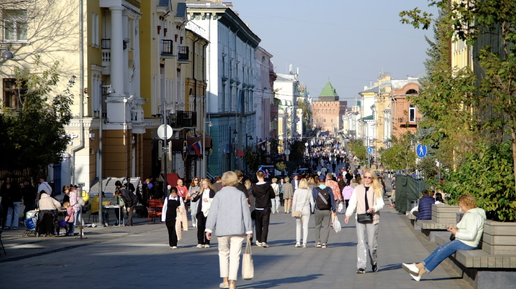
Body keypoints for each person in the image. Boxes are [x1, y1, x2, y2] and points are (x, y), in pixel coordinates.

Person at [402, 194, 486, 282]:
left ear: (467, 204)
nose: (460, 209)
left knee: (442, 252)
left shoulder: (473, 216)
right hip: (463, 241)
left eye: (461, 206)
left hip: (467, 243)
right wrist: (455, 230)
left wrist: (456, 233)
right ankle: (418, 271)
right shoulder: (472, 214)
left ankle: (418, 269)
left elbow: (471, 235)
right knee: (440, 249)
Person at [205, 171, 253, 289]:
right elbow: (246, 213)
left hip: (222, 229)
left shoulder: (219, 195)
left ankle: (225, 280)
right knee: (235, 256)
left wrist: (209, 228)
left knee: (223, 254)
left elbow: (213, 213)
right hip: (238, 229)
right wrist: (249, 230)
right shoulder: (240, 194)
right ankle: (232, 282)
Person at [345, 169, 385, 274]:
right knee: (361, 242)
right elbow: (353, 202)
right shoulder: (357, 188)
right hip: (360, 218)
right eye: (365, 177)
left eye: (369, 177)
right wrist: (348, 214)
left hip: (373, 219)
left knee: (372, 244)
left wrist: (373, 208)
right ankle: (361, 266)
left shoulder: (376, 188)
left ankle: (374, 262)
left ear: (372, 179)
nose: (367, 179)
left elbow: (381, 204)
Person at [252, 170, 275, 247]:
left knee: (258, 225)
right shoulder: (268, 186)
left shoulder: (254, 186)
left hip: (258, 207)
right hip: (266, 206)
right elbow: (273, 195)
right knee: (265, 225)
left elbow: (254, 194)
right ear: (264, 176)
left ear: (257, 176)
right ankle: (264, 241)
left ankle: (258, 240)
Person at [312, 174, 337, 248]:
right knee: (326, 226)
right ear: (325, 181)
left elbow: (313, 199)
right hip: (327, 210)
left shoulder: (315, 190)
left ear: (319, 181)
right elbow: (332, 200)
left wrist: (312, 210)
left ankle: (318, 242)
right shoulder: (329, 189)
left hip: (318, 209)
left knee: (317, 226)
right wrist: (334, 209)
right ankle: (324, 243)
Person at [291, 178, 315, 248]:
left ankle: (298, 242)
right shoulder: (309, 191)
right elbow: (312, 203)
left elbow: (294, 203)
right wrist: (312, 210)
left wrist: (293, 211)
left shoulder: (297, 191)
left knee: (298, 226)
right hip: (306, 209)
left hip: (298, 210)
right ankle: (304, 242)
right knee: (305, 226)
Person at [192, 179, 215, 248]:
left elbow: (215, 200)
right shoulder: (202, 191)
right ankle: (200, 242)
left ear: (208, 184)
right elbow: (196, 198)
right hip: (201, 211)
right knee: (200, 227)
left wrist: (208, 200)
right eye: (203, 184)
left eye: (205, 184)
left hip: (208, 211)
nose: (204, 185)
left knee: (207, 227)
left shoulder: (212, 192)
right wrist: (192, 198)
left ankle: (207, 242)